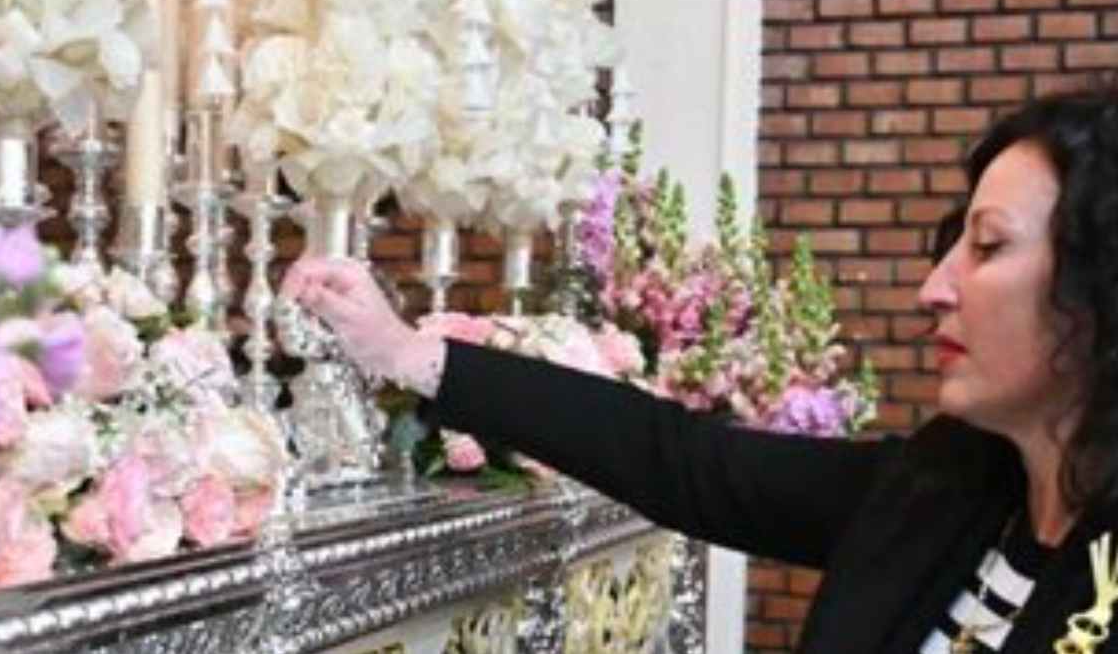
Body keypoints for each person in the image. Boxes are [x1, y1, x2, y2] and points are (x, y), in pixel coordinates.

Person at [282, 85, 1118, 653]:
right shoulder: (945, 487)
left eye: (990, 246)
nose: (935, 287)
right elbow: (683, 460)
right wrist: (405, 353)